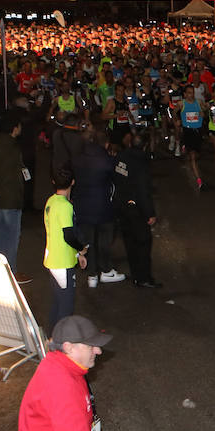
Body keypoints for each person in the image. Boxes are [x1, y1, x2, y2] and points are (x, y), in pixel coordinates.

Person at [71, 132, 123, 287]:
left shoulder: (76, 159)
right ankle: (106, 270)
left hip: (83, 206)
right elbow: (116, 180)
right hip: (103, 206)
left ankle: (92, 275)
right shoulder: (107, 161)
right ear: (106, 144)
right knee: (104, 239)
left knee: (88, 241)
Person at [0, 111, 30, 282]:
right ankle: (11, 271)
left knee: (3, 233)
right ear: (14, 128)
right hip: (11, 196)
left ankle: (2, 268)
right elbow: (13, 172)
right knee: (12, 235)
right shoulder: (12, 147)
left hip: (0, 197)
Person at [113, 131, 160, 288]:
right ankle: (144, 277)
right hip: (136, 210)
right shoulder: (141, 164)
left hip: (121, 206)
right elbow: (142, 191)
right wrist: (150, 213)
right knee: (143, 243)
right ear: (145, 146)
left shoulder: (120, 157)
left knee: (130, 242)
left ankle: (135, 274)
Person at [43, 170, 88, 333]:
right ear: (73, 182)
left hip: (52, 259)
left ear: (54, 182)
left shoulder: (51, 201)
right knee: (66, 306)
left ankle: (51, 338)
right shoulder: (65, 206)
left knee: (57, 302)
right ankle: (59, 346)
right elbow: (68, 235)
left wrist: (77, 255)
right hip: (62, 263)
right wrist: (81, 248)